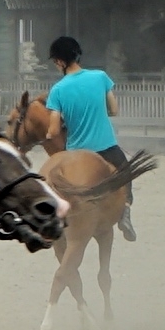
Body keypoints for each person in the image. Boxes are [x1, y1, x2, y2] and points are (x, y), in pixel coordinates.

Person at [43, 36, 135, 241]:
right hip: (106, 147)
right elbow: (114, 110)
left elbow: (55, 130)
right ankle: (125, 211)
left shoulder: (57, 90)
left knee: (49, 178)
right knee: (126, 172)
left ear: (59, 61)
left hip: (76, 151)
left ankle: (51, 219)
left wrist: (48, 134)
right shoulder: (101, 77)